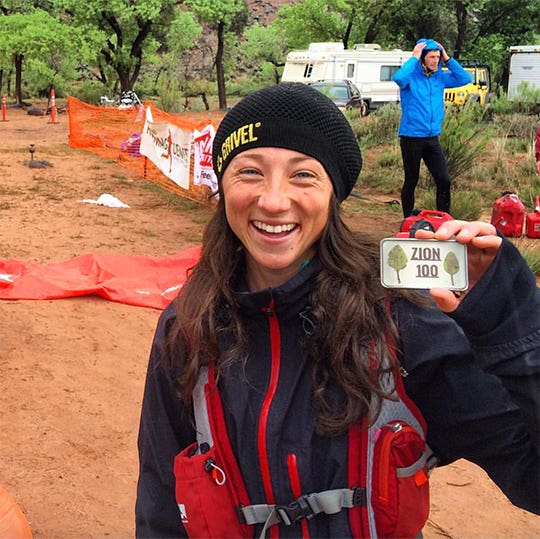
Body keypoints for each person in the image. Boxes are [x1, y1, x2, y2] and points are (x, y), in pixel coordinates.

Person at [135, 83, 539, 538]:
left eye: (303, 175)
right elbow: (160, 503)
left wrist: (511, 321)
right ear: (222, 185)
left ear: (334, 194)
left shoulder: (399, 322)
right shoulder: (188, 328)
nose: (272, 200)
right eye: (249, 172)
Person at [392, 39, 472, 218]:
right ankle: (408, 219)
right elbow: (398, 78)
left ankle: (445, 219)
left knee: (444, 180)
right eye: (432, 57)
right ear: (422, 58)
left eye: (437, 57)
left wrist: (447, 58)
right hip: (411, 136)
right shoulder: (411, 76)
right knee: (412, 180)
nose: (436, 60)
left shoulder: (440, 76)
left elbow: (465, 78)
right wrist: (413, 57)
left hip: (432, 138)